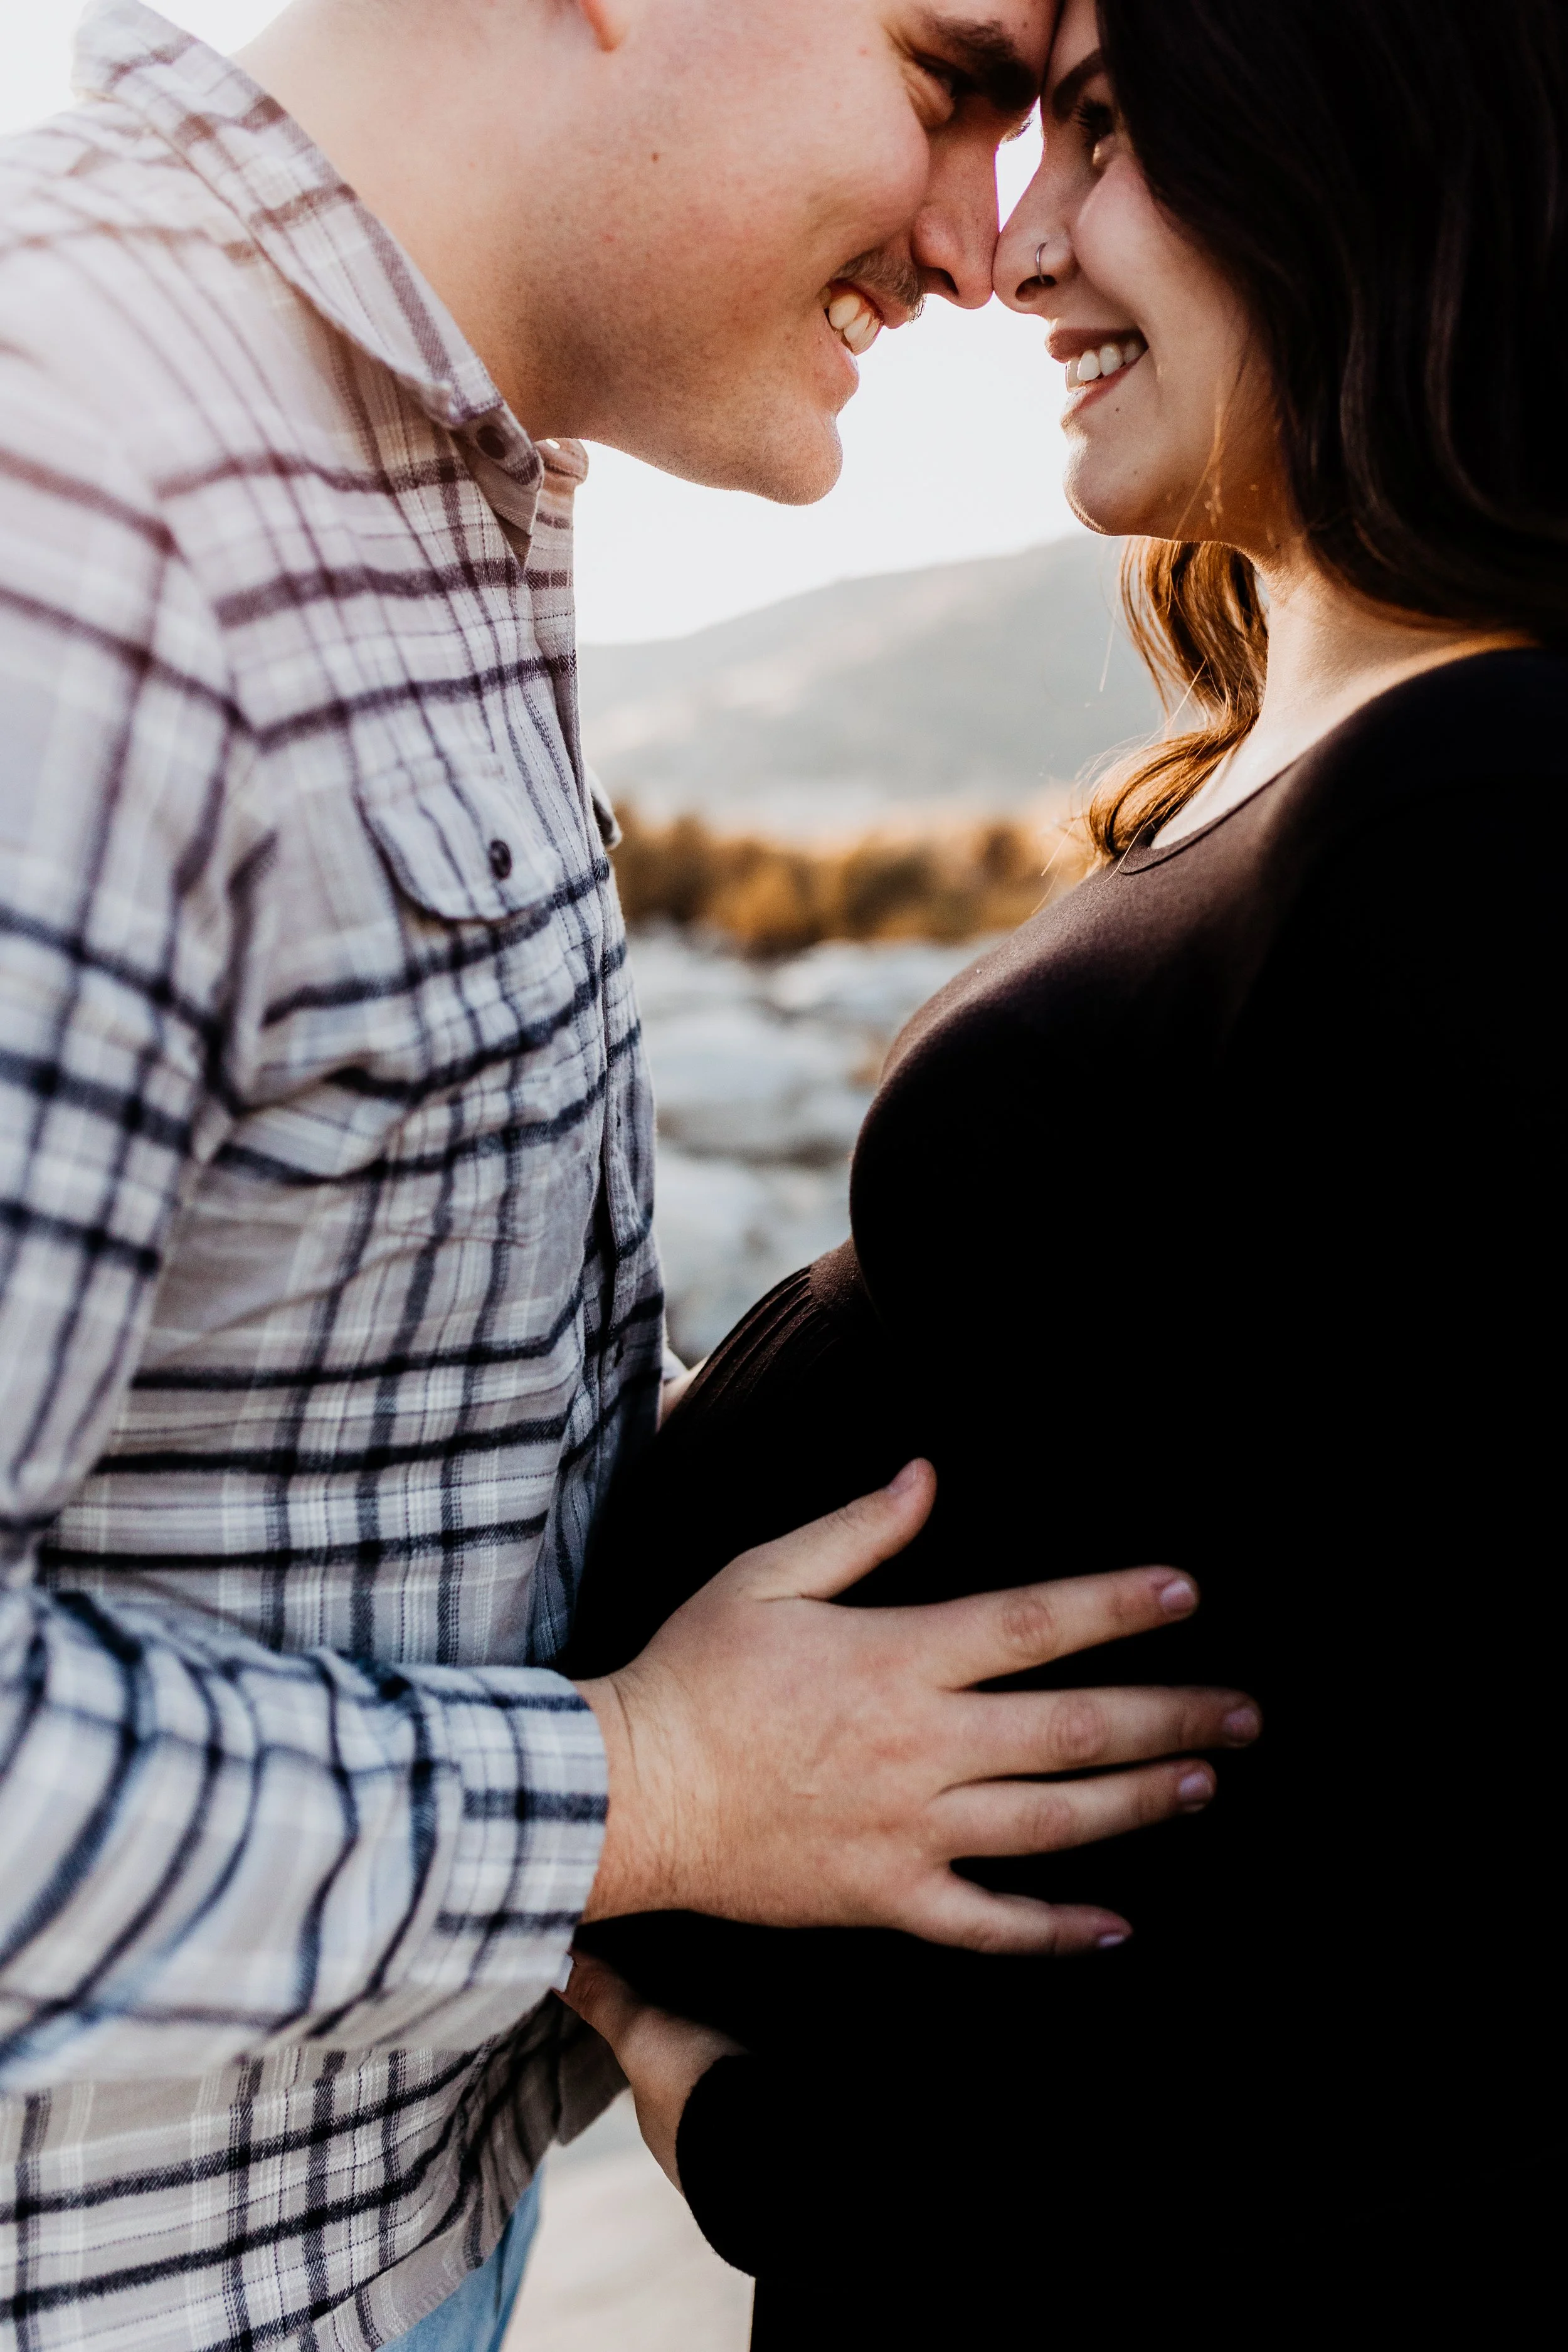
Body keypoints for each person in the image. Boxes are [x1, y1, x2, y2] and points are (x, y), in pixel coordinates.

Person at [0, 5, 1269, 2348]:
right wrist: (652, 1790)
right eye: (949, 75)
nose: (988, 244)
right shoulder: (81, 507)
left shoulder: (407, 488)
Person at [560, 0, 1568, 2336]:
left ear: (1362, 147)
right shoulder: (1331, 751)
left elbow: (1480, 1944)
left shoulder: (1501, 810)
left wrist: (763, 2128)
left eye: (1102, 133)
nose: (1010, 257)